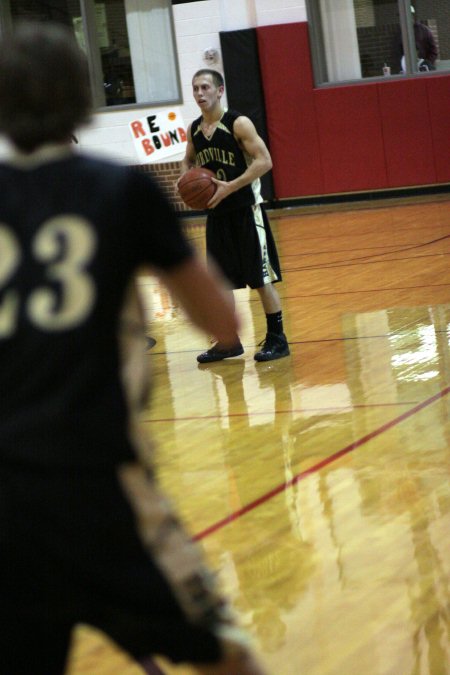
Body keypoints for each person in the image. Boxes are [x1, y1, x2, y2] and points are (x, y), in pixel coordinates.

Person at [0, 23, 267, 675]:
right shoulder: (118, 190)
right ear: (82, 102)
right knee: (228, 654)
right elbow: (222, 321)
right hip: (96, 482)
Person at [179, 69, 290, 364]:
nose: (200, 93)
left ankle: (278, 340)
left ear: (220, 90)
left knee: (260, 279)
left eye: (205, 87)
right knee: (219, 282)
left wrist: (231, 186)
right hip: (217, 215)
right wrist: (186, 182)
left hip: (246, 211)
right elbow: (187, 160)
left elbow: (265, 161)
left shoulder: (238, 123)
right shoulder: (194, 129)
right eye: (195, 89)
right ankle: (228, 342)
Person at [398, 5, 438, 72]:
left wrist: (427, 64)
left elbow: (433, 50)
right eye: (401, 16)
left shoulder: (424, 30)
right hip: (407, 70)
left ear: (412, 16)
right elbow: (398, 52)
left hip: (425, 70)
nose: (402, 18)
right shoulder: (400, 33)